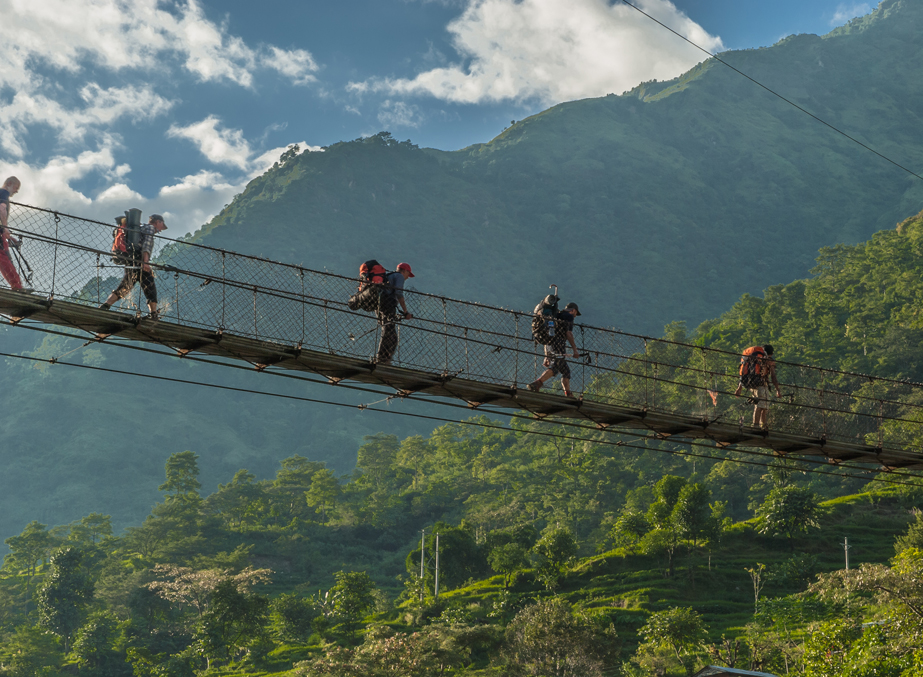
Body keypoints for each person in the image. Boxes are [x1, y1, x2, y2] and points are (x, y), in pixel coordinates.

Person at [100, 213, 167, 319]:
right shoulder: (150, 228)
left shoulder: (140, 228)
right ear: (158, 222)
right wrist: (145, 262)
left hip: (131, 260)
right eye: (161, 226)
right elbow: (147, 245)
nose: (160, 230)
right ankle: (153, 314)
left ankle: (105, 305)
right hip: (140, 261)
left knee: (126, 285)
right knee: (150, 286)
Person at [527, 302, 581, 397]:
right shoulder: (568, 316)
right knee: (555, 367)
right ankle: (537, 383)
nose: (575, 316)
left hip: (550, 343)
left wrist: (546, 356)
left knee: (566, 371)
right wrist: (575, 350)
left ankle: (568, 394)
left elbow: (548, 335)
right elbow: (569, 333)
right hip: (559, 344)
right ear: (573, 310)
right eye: (576, 314)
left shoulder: (556, 315)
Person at [734, 344, 781, 429]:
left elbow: (746, 373)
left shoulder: (753, 358)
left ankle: (762, 425)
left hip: (751, 384)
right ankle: (757, 426)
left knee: (761, 405)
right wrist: (778, 390)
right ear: (771, 353)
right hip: (761, 384)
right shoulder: (768, 360)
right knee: (761, 406)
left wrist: (739, 388)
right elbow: (773, 377)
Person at [376, 262, 415, 364]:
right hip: (387, 307)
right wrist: (405, 312)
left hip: (380, 307)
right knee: (391, 336)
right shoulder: (399, 276)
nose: (407, 277)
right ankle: (383, 359)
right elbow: (399, 293)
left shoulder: (390, 276)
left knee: (387, 331)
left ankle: (383, 358)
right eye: (408, 274)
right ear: (404, 271)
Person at [0, 176, 27, 291]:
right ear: (9, 183)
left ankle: (17, 285)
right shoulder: (3, 193)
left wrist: (7, 235)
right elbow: (2, 208)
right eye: (16, 187)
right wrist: (5, 228)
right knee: (4, 258)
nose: (16, 191)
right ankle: (17, 286)